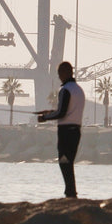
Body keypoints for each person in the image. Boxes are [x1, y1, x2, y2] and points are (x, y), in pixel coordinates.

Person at [36, 61, 85, 198]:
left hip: (65, 131)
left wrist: (45, 117)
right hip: (76, 130)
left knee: (64, 161)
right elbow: (68, 110)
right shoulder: (79, 90)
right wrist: (51, 112)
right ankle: (71, 192)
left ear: (64, 73)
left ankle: (70, 192)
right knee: (69, 161)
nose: (58, 77)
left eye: (59, 74)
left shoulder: (65, 90)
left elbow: (62, 113)